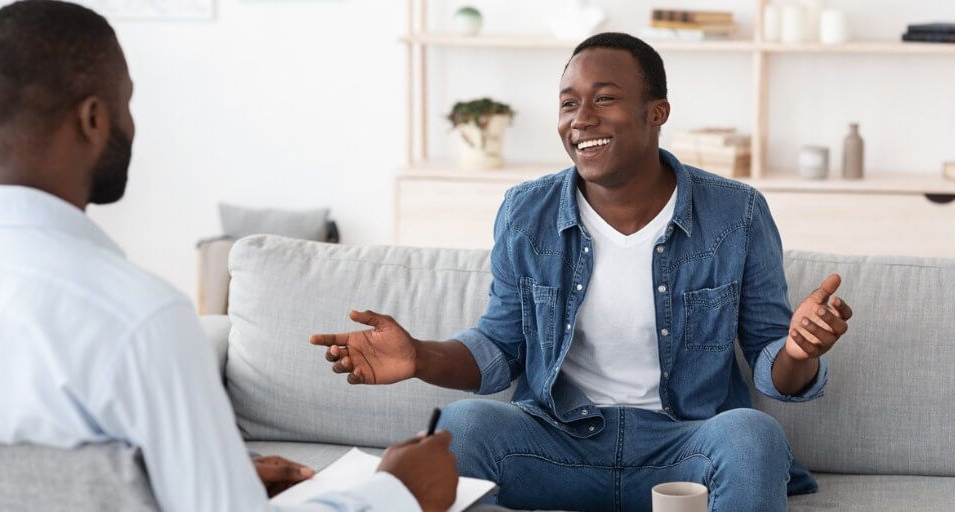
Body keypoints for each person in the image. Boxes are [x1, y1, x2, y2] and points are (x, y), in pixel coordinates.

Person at [0, 1, 456, 511]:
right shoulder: (138, 319)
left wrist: (185, 484)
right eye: (126, 103)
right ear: (93, 119)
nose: (131, 125)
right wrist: (397, 491)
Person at [311, 32, 853, 511]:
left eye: (605, 99)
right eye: (569, 104)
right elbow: (500, 348)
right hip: (557, 444)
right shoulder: (525, 213)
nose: (581, 119)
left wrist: (798, 352)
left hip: (683, 449)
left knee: (752, 435)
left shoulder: (737, 214)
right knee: (463, 427)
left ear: (657, 111)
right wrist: (420, 356)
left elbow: (772, 368)